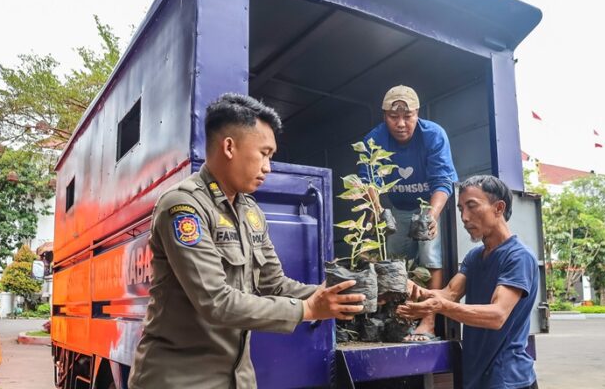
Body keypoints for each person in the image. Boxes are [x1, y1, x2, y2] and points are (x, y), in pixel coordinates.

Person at [129, 94, 365, 389]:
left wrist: (333, 295)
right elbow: (216, 301)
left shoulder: (250, 211)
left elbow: (275, 285)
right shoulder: (184, 207)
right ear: (229, 146)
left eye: (271, 156)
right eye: (264, 153)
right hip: (180, 380)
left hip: (237, 379)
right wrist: (308, 310)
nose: (268, 166)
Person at [398, 175, 539, 389]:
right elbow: (448, 294)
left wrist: (440, 306)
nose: (464, 217)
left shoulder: (518, 257)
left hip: (507, 379)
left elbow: (497, 315)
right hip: (476, 376)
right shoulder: (475, 257)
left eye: (472, 206)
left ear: (498, 208)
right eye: (461, 208)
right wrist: (407, 285)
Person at [360, 85, 457, 341]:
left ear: (417, 113)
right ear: (384, 116)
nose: (401, 123)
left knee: (430, 256)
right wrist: (377, 212)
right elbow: (368, 181)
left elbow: (443, 180)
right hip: (397, 208)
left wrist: (433, 215)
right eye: (393, 117)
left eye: (408, 116)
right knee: (394, 262)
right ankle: (399, 318)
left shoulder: (434, 135)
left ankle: (429, 320)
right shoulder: (374, 139)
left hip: (427, 205)